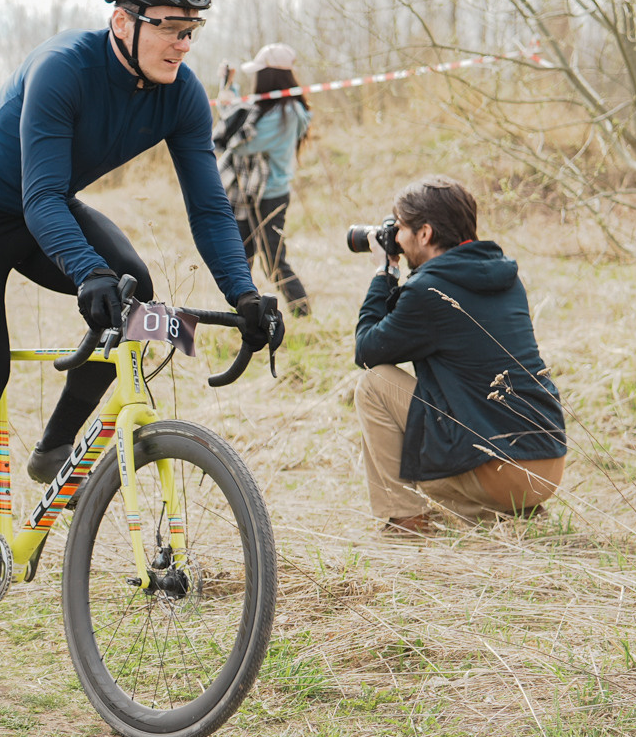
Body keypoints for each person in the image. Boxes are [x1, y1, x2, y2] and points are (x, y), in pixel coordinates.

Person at [0, 0, 282, 641]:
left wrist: (245, 292)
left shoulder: (181, 93)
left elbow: (208, 208)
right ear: (122, 20)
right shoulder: (63, 69)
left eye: (191, 29)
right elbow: (43, 196)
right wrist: (87, 274)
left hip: (42, 210)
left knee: (139, 302)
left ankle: (53, 448)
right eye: (169, 25)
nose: (182, 41)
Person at [352, 175, 566, 534]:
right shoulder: (506, 276)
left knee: (375, 384)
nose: (398, 240)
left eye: (401, 228)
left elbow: (368, 350)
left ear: (425, 234)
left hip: (500, 475)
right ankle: (514, 512)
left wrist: (385, 271)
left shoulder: (429, 290)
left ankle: (406, 521)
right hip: (547, 465)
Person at [221, 42, 313, 314]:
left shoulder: (283, 114)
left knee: (273, 261)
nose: (255, 79)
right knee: (243, 255)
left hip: (268, 196)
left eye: (259, 73)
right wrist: (230, 89)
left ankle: (302, 311)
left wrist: (230, 102)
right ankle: (244, 313)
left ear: (270, 76)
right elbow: (246, 123)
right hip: (254, 193)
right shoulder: (280, 108)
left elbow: (245, 143)